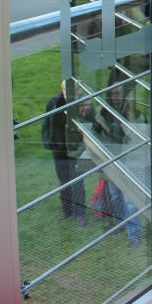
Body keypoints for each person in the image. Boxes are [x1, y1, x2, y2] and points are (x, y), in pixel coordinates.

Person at [93, 80, 143, 247]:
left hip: (130, 162)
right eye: (113, 94)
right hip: (112, 161)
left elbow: (140, 137)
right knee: (115, 196)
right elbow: (95, 133)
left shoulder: (133, 113)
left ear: (123, 95)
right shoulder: (104, 112)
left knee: (130, 199)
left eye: (118, 93)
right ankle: (122, 225)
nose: (116, 97)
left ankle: (134, 235)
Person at [41, 80, 93, 226]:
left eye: (74, 93)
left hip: (76, 149)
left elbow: (92, 122)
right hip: (60, 148)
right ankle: (67, 210)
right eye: (67, 92)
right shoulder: (54, 102)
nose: (70, 96)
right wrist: (48, 142)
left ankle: (80, 214)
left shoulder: (84, 101)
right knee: (63, 181)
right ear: (62, 90)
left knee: (78, 182)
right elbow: (46, 123)